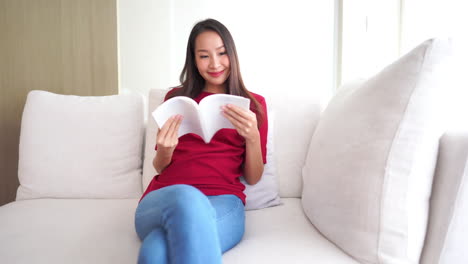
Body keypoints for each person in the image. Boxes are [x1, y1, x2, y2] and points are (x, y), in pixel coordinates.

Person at [134, 18, 268, 264]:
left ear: (232, 54)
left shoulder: (254, 105)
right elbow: (160, 167)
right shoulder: (175, 98)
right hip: (166, 197)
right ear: (194, 61)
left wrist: (252, 137)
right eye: (204, 56)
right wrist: (165, 149)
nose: (215, 63)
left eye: (221, 53)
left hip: (222, 201)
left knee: (156, 251)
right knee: (186, 196)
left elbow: (253, 178)